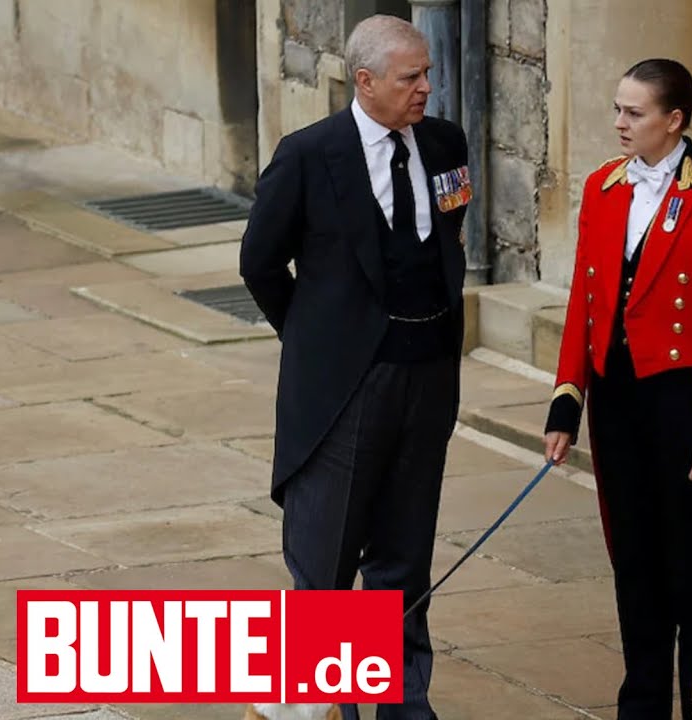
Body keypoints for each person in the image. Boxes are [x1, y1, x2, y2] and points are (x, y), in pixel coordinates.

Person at [240, 14, 471, 720]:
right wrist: (317, 343)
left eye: (429, 73)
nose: (427, 88)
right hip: (345, 390)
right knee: (328, 561)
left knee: (405, 558)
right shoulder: (310, 155)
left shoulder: (443, 143)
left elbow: (448, 240)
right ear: (363, 82)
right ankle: (320, 709)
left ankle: (406, 707)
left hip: (426, 378)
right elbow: (259, 263)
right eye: (412, 77)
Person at [542, 58, 692, 720]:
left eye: (633, 113)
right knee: (634, 561)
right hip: (617, 403)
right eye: (617, 109)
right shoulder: (602, 188)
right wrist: (566, 400)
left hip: (684, 402)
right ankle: (641, 705)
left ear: (674, 120)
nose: (618, 123)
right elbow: (586, 299)